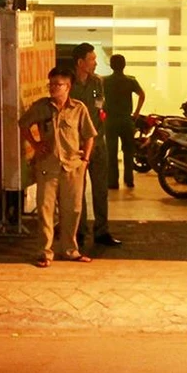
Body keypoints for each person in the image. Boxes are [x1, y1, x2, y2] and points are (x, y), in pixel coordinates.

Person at [19, 67, 96, 268]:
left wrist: (85, 160)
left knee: (72, 210)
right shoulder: (41, 107)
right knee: (45, 210)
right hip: (48, 166)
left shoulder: (78, 108)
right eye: (51, 84)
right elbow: (23, 124)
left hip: (73, 166)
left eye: (58, 84)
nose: (53, 88)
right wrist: (35, 145)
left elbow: (89, 135)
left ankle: (70, 250)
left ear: (68, 86)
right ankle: (45, 252)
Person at [69, 43, 122, 247]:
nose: (95, 63)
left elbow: (101, 106)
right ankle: (79, 231)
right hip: (77, 146)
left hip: (98, 143)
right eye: (91, 59)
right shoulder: (69, 84)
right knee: (77, 191)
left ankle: (102, 230)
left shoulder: (97, 82)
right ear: (80, 62)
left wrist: (100, 122)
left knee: (101, 189)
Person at [103, 54, 145, 189]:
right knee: (128, 151)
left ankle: (112, 182)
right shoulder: (130, 81)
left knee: (111, 152)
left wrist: (101, 110)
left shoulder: (105, 81)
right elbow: (142, 95)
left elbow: (98, 98)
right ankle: (129, 179)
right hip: (126, 120)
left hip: (110, 120)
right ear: (124, 65)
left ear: (111, 65)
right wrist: (136, 113)